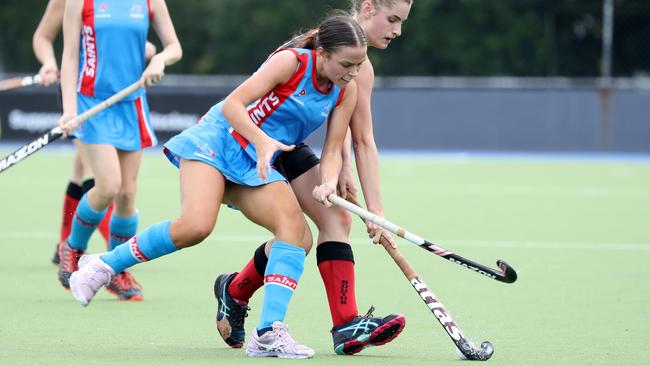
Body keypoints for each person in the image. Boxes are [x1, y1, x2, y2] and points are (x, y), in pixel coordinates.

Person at [67, 13, 367, 359]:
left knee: (295, 232)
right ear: (324, 53)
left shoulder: (347, 90)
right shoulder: (291, 63)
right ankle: (103, 266)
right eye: (347, 63)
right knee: (195, 227)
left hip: (255, 161)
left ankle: (268, 332)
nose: (353, 72)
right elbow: (232, 105)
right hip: (218, 141)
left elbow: (332, 151)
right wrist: (262, 140)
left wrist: (328, 181)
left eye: (359, 65)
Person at [213, 0, 413, 356]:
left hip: (289, 147)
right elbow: (362, 139)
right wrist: (374, 208)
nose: (397, 31)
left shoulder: (348, 58)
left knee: (336, 218)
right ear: (367, 9)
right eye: (393, 19)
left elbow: (351, 131)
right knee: (295, 237)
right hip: (251, 148)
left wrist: (360, 192)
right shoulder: (328, 50)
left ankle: (344, 324)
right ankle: (243, 299)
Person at [56, 0, 181, 302]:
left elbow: (174, 46)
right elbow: (71, 57)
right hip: (92, 104)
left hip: (131, 103)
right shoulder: (80, 3)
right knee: (108, 184)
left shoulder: (151, 2)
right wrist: (68, 110)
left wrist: (159, 60)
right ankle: (72, 247)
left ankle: (115, 268)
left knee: (127, 193)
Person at [32, 0, 157, 269]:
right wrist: (48, 64)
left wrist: (141, 50)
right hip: (81, 94)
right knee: (100, 177)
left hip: (122, 97)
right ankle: (72, 245)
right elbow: (44, 38)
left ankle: (89, 252)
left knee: (99, 178)